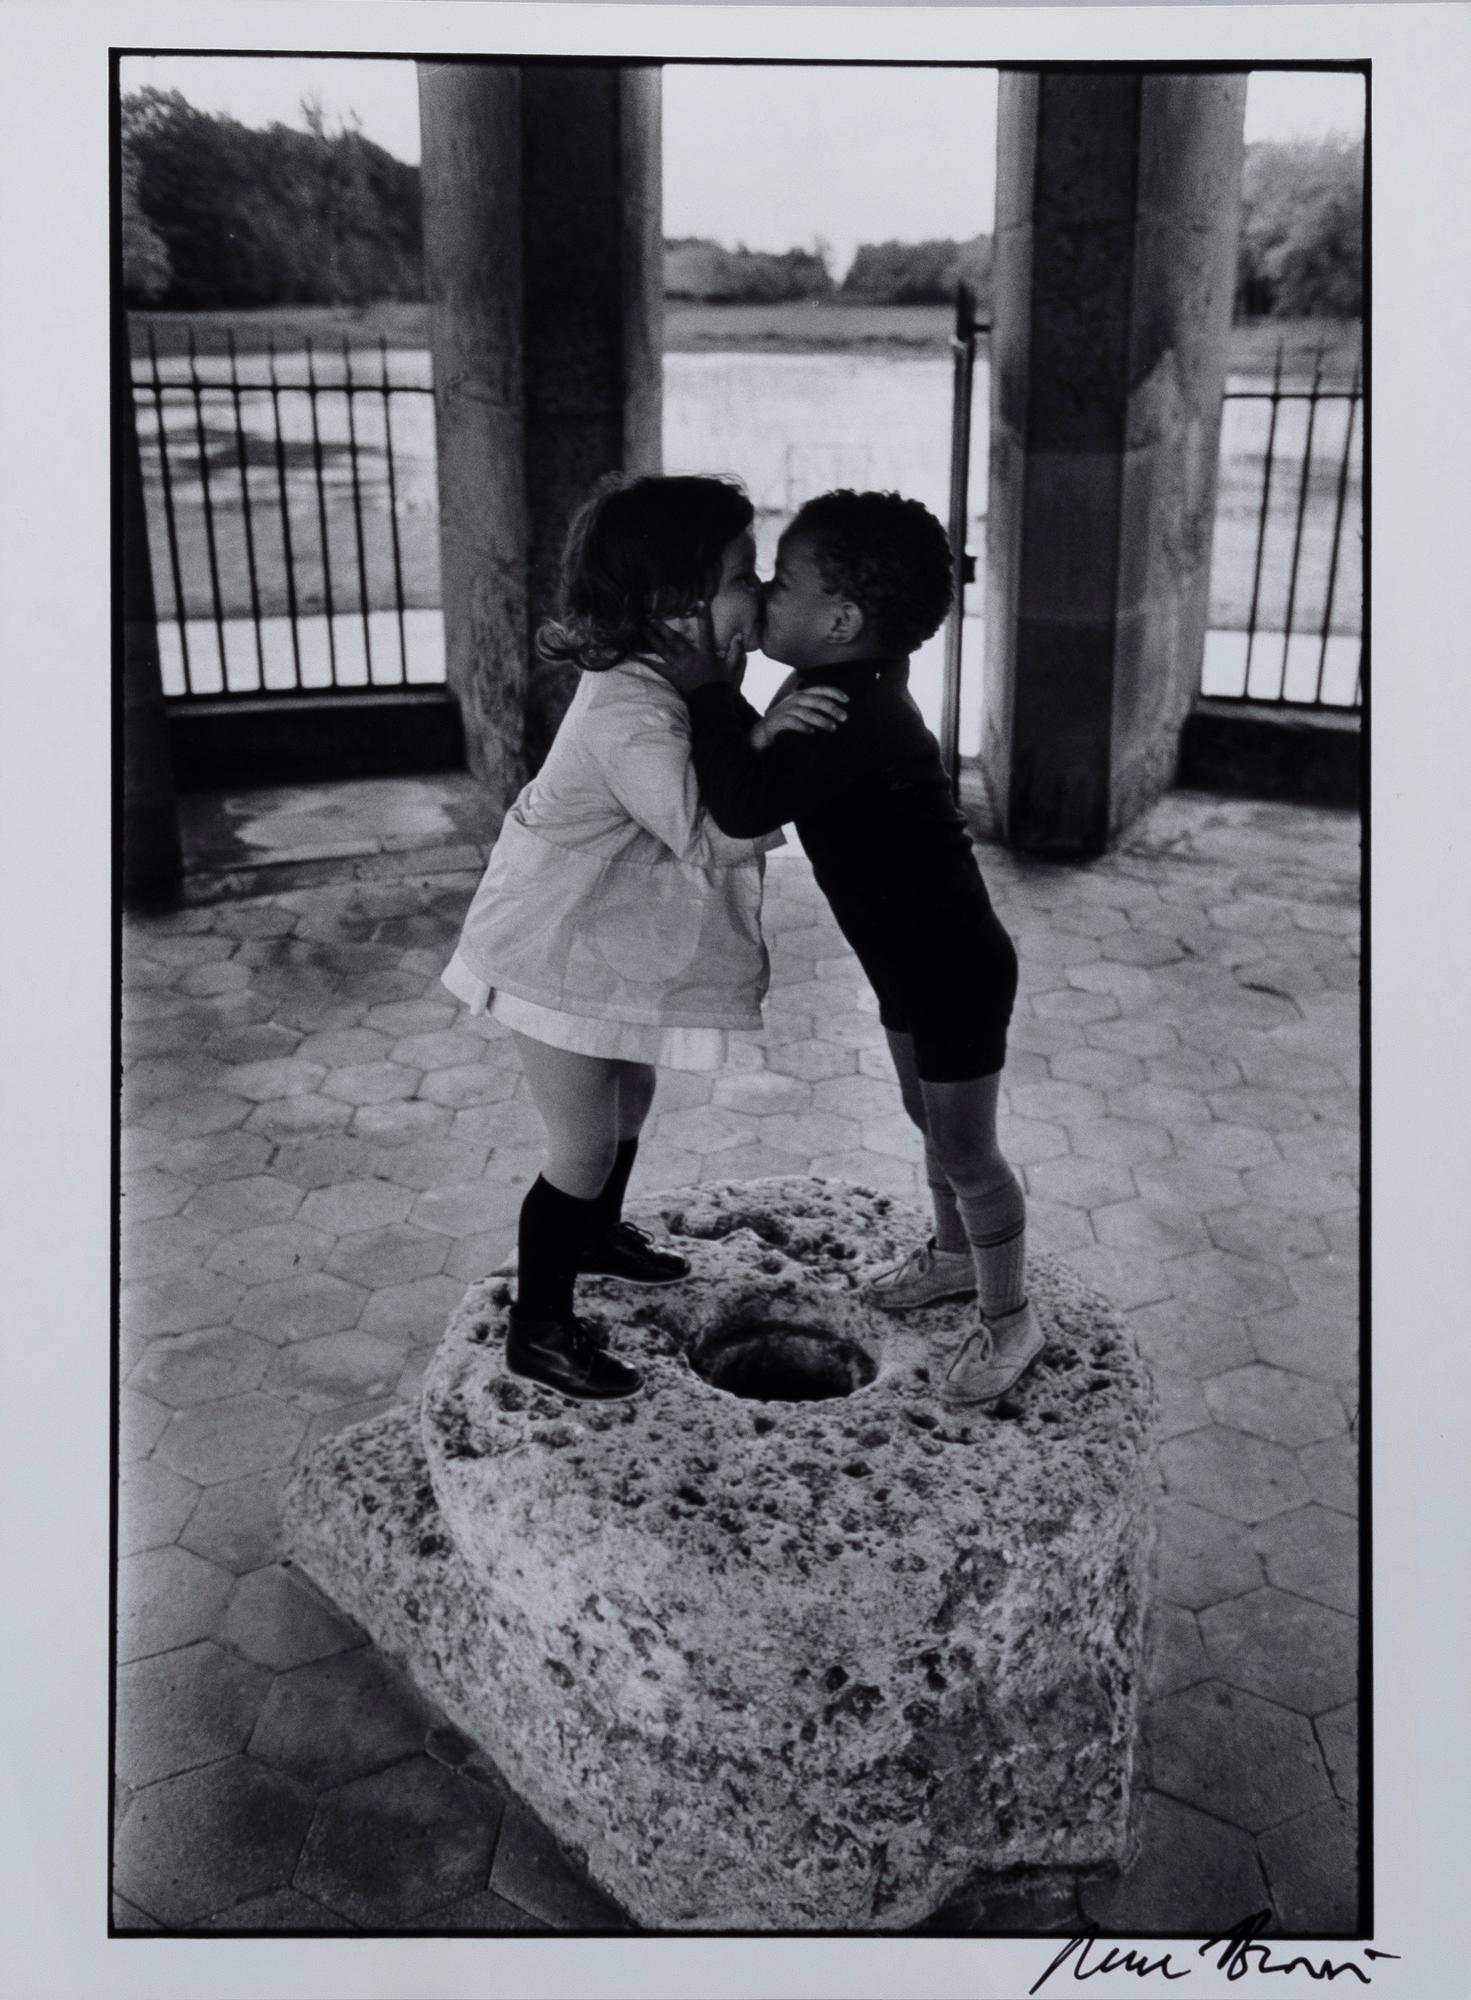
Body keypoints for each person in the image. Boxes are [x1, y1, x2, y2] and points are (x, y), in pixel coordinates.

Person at [441, 474, 846, 1402]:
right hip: (547, 959)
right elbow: (709, 829)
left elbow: (714, 746)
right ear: (673, 606)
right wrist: (782, 753)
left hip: (593, 950)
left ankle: (595, 1235)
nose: (764, 595)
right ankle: (539, 1329)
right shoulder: (628, 714)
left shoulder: (671, 681)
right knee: (579, 1141)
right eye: (746, 574)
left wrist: (752, 722)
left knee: (632, 1093)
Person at [646, 489, 1042, 1408]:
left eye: (778, 582)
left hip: (949, 970)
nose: (765, 597)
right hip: (914, 962)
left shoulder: (848, 717)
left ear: (840, 619)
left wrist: (708, 681)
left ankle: (1010, 1317)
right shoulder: (838, 686)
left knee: (967, 1149)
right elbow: (757, 764)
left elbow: (744, 800)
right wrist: (742, 710)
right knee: (926, 1118)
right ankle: (950, 1259)